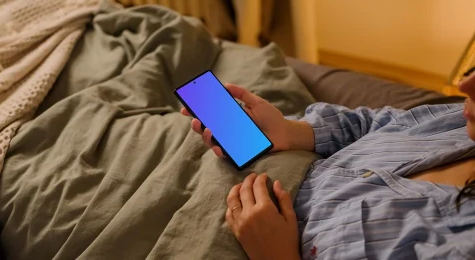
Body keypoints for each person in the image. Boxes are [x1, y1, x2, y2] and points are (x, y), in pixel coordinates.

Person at [181, 68, 475, 260]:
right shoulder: (456, 121)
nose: (464, 85)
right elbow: (374, 123)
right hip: (249, 163)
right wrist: (289, 132)